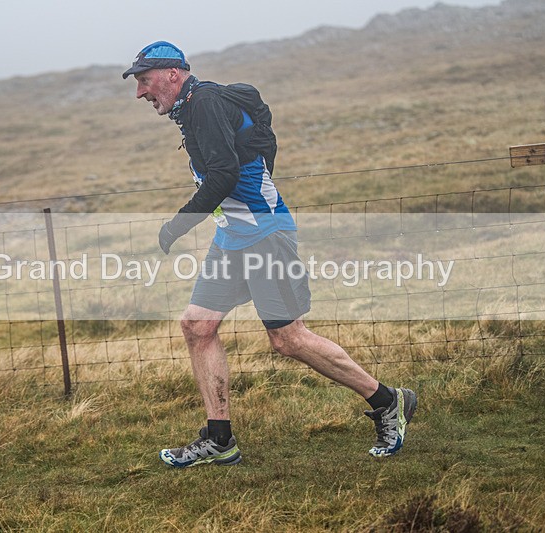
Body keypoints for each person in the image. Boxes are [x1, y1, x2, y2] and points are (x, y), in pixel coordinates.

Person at [122, 41, 417, 467]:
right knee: (197, 326)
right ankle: (219, 439)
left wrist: (178, 224)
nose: (141, 93)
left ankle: (389, 400)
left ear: (173, 74)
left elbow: (223, 174)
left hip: (264, 236)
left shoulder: (203, 103)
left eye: (145, 81)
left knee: (289, 338)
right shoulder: (194, 107)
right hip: (234, 237)